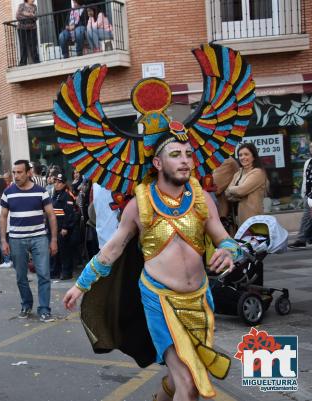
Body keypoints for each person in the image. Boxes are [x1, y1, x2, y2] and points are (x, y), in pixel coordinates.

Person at [63, 126, 240, 400]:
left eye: (188, 154)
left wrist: (229, 252)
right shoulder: (139, 205)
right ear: (158, 163)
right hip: (160, 300)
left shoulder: (203, 200)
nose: (184, 160)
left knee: (188, 375)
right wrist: (81, 285)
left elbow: (226, 240)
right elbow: (112, 250)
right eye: (175, 155)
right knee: (189, 385)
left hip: (200, 301)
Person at [0, 160, 58, 322]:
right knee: (20, 276)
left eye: (19, 172)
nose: (16, 176)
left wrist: (53, 239)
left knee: (44, 274)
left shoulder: (41, 192)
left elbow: (51, 215)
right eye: (14, 172)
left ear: (28, 173)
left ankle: (45, 309)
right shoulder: (8, 192)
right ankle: (26, 305)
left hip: (39, 237)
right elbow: (3, 216)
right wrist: (3, 241)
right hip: (16, 239)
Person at [224, 143, 268, 227]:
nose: (243, 157)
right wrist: (236, 192)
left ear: (253, 156)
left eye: (246, 154)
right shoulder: (238, 173)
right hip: (238, 218)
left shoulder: (258, 172)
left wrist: (233, 191)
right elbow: (226, 193)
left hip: (253, 219)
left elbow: (241, 191)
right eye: (240, 155)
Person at [50, 174, 76, 280]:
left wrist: (66, 227)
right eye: (55, 182)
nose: (56, 184)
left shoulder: (67, 195)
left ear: (64, 184)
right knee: (56, 251)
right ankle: (55, 271)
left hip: (62, 228)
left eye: (59, 182)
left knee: (65, 251)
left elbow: (69, 213)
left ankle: (66, 272)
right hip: (55, 227)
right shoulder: (55, 194)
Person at [290, 143, 312, 248]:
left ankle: (301, 239)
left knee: (307, 217)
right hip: (309, 195)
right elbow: (305, 178)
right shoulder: (308, 162)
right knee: (308, 217)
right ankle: (306, 238)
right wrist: (304, 193)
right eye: (311, 147)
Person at [16, 0, 39, 66]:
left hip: (32, 28)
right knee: (23, 46)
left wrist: (24, 13)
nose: (33, 0)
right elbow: (18, 17)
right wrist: (30, 15)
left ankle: (36, 60)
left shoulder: (34, 6)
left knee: (33, 45)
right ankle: (23, 62)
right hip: (21, 28)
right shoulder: (21, 5)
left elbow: (35, 18)